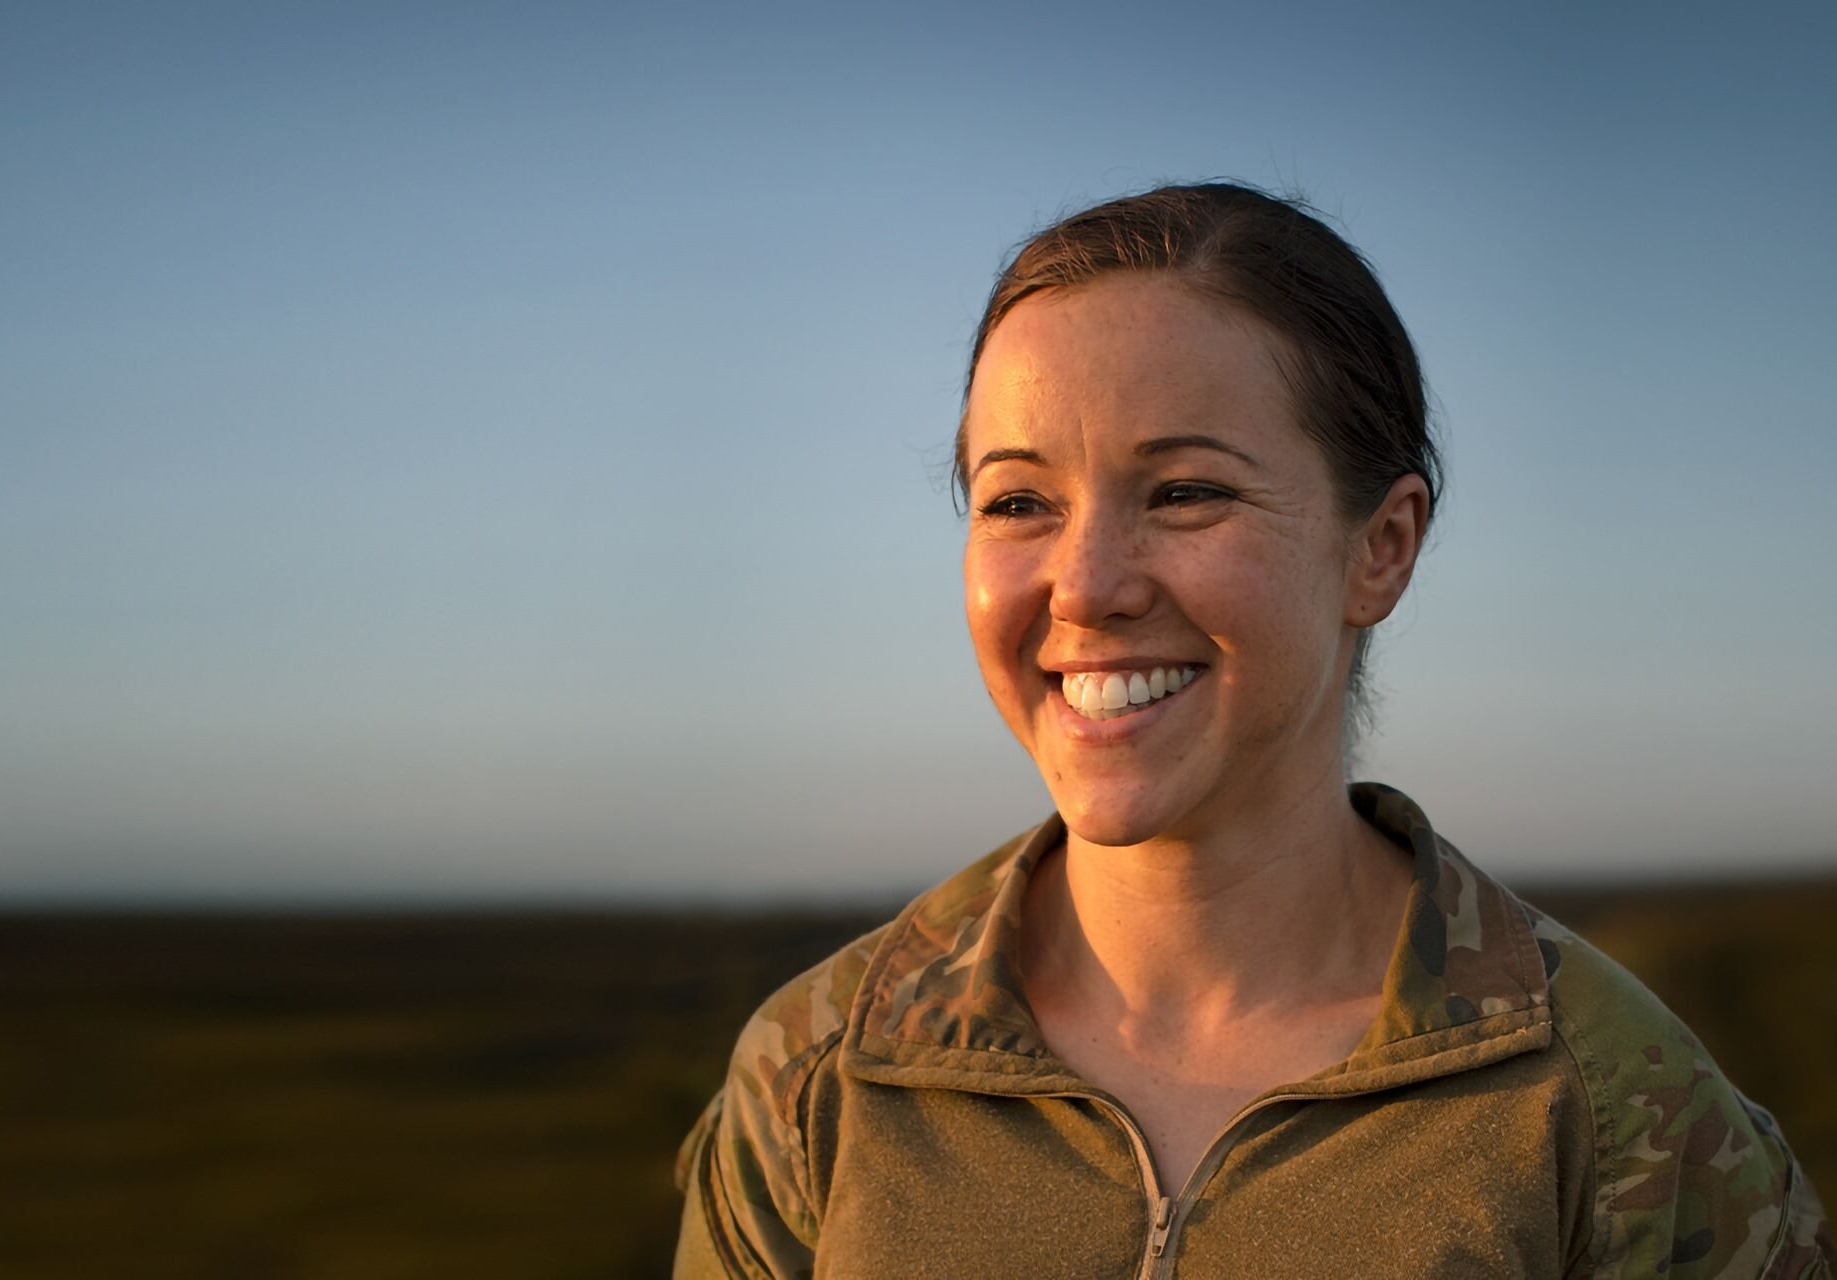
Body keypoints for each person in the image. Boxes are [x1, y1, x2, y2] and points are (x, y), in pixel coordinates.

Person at [670, 184, 1833, 1277]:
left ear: (1381, 547)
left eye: (1185, 491)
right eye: (1019, 501)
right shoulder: (821, 1078)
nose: (1084, 585)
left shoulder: (1612, 1105)